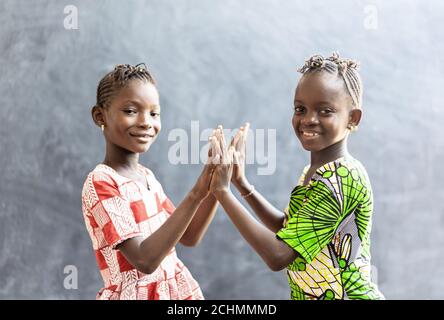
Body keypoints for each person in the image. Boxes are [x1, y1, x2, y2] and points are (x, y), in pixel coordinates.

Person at [208, 52, 385, 300]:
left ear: (352, 118)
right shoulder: (317, 171)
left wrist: (222, 193)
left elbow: (278, 255)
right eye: (300, 109)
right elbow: (289, 229)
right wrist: (241, 184)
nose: (308, 120)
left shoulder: (340, 178)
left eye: (325, 111)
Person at [81, 63, 218, 300]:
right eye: (131, 111)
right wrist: (197, 191)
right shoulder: (101, 183)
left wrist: (216, 183)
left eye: (154, 113)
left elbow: (189, 235)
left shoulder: (147, 177)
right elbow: (145, 260)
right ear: (99, 116)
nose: (146, 122)